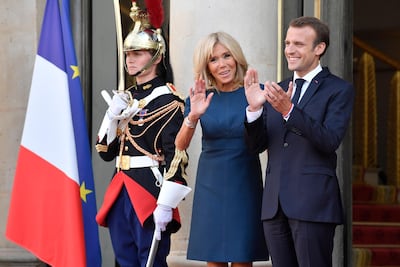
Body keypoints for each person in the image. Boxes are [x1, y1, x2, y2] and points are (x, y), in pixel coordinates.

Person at [243, 16, 355, 267]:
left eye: (299, 44)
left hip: (312, 204)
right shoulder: (277, 89)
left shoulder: (338, 90)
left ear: (319, 48)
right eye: (287, 43)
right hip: (274, 205)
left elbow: (329, 140)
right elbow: (255, 146)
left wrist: (289, 110)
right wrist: (253, 110)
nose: (290, 50)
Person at [95, 2, 191, 267]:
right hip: (120, 188)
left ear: (157, 56)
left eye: (138, 53)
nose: (130, 59)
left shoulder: (169, 101)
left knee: (151, 261)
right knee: (124, 260)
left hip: (150, 191)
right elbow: (104, 151)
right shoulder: (126, 98)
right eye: (128, 53)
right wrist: (112, 117)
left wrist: (167, 204)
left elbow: (177, 158)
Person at [175, 31, 269, 267]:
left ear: (236, 57)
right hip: (211, 183)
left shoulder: (254, 93)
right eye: (213, 59)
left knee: (242, 257)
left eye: (226, 55)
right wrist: (193, 117)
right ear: (206, 66)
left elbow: (263, 141)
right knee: (214, 259)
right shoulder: (200, 97)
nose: (222, 64)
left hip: (245, 183)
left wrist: (256, 108)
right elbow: (180, 144)